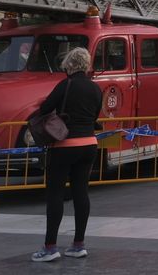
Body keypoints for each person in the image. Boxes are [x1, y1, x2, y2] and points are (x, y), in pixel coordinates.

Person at [31, 46, 104, 262]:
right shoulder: (95, 88)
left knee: (55, 193)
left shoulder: (66, 84)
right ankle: (78, 244)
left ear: (69, 65)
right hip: (89, 144)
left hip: (65, 145)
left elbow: (45, 109)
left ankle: (50, 247)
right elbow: (95, 115)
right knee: (81, 193)